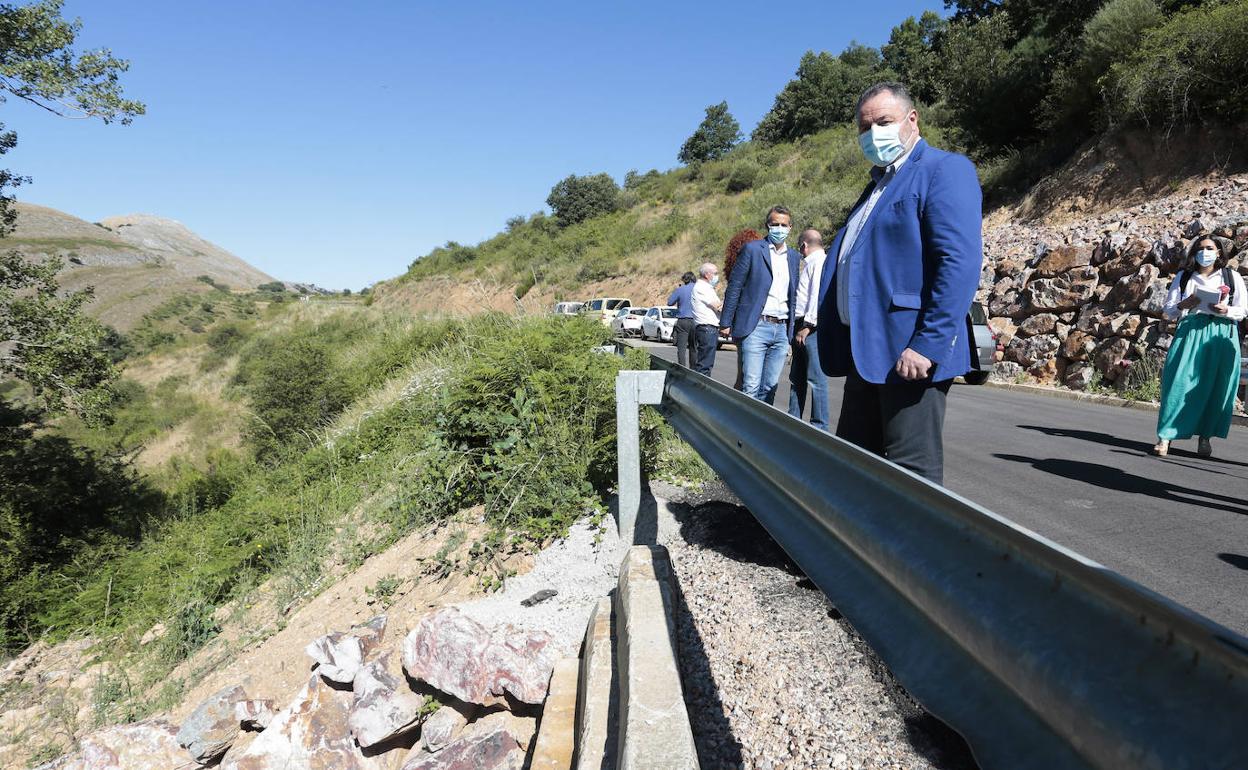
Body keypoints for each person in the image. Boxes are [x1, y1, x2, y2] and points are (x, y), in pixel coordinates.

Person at [817, 82, 982, 485]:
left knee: (913, 479)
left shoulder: (943, 169)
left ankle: (919, 550)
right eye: (865, 126)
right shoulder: (876, 187)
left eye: (884, 122)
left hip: (908, 355)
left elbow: (958, 262)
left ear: (912, 120)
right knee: (856, 471)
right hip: (865, 353)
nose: (873, 133)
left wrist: (928, 343)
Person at [1151, 235, 1245, 457]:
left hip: (1222, 333)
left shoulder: (1232, 277)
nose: (1205, 252)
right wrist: (1185, 304)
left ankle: (1205, 437)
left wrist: (1226, 310)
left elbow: (1243, 309)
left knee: (1216, 386)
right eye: (1201, 248)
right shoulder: (1184, 277)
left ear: (1219, 252)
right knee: (1178, 382)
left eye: (1210, 248)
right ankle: (1165, 436)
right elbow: (1169, 310)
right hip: (1190, 331)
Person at [720, 207, 801, 404]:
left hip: (782, 329)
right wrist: (726, 321)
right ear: (768, 225)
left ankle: (760, 432)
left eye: (783, 225)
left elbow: (795, 294)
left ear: (790, 227)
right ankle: (742, 433)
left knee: (770, 387)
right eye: (775, 224)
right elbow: (735, 286)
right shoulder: (753, 249)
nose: (779, 228)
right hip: (756, 326)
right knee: (751, 385)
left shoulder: (794, 257)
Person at [789, 229, 829, 430]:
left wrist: (807, 326)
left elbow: (816, 296)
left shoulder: (818, 262)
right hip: (802, 325)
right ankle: (793, 419)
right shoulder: (813, 263)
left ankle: (819, 427)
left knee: (815, 378)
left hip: (809, 328)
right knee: (797, 377)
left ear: (804, 245)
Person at [724, 228, 762, 390]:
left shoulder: (734, 268)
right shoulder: (755, 264)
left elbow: (731, 294)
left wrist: (727, 322)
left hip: (741, 321)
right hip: (753, 321)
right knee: (750, 376)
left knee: (743, 372)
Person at [691, 262, 723, 375]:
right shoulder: (702, 287)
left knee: (706, 363)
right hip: (706, 329)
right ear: (707, 274)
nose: (717, 276)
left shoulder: (708, 288)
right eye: (715, 273)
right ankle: (700, 389)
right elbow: (718, 306)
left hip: (709, 329)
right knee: (705, 365)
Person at [667, 271, 696, 367]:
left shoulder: (680, 289)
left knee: (681, 349)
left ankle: (682, 370)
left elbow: (670, 302)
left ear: (684, 279)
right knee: (694, 348)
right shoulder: (698, 289)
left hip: (683, 320)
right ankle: (693, 371)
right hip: (696, 321)